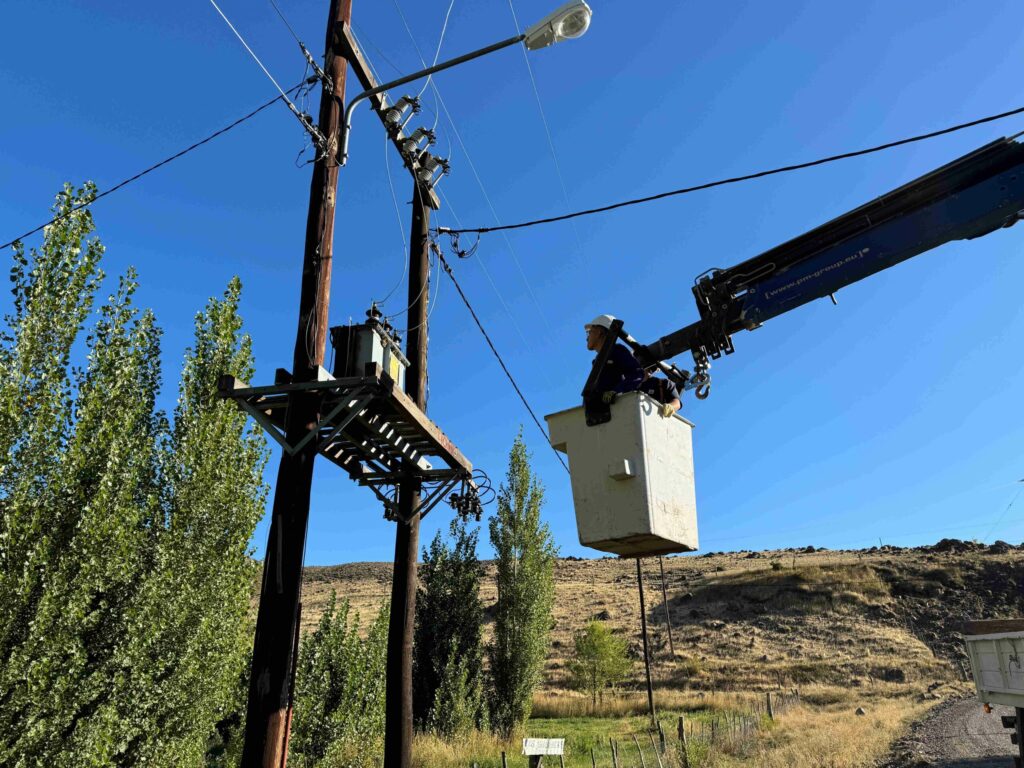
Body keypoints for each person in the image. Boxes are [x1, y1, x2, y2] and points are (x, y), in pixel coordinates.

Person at [585, 314, 679, 418]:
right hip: (599, 412)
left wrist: (616, 391)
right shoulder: (597, 361)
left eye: (590, 332)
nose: (587, 337)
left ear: (599, 332)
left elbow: (636, 373)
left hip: (614, 412)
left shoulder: (616, 351)